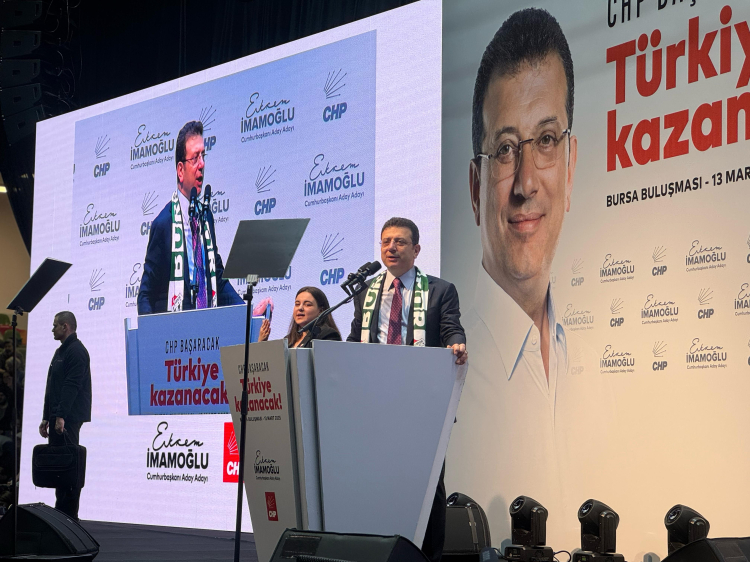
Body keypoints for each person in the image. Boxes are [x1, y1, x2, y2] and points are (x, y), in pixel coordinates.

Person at [446, 7, 611, 547]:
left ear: (570, 164)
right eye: (504, 150)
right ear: (476, 188)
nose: (525, 184)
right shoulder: (438, 388)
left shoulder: (594, 370)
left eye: (545, 141)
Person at [347, 217, 467, 562]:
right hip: (376, 405)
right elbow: (356, 339)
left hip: (422, 405)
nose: (391, 248)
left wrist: (457, 343)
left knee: (428, 486)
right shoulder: (366, 292)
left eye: (399, 242)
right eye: (386, 241)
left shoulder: (440, 290)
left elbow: (451, 328)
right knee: (377, 483)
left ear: (416, 250)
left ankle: (429, 557)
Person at [138, 120, 243, 314]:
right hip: (174, 329)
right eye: (195, 158)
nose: (202, 164)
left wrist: (247, 311)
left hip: (207, 327)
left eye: (203, 156)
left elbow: (218, 280)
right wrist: (152, 331)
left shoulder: (206, 217)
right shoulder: (164, 224)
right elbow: (146, 294)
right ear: (180, 170)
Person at [39, 311, 92, 520]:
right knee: (59, 467)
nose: (52, 329)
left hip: (68, 418)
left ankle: (69, 516)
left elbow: (72, 386)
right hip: (58, 416)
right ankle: (61, 514)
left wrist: (60, 416)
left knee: (68, 466)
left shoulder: (77, 352)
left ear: (65, 326)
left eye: (55, 325)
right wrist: (46, 416)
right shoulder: (60, 351)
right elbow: (52, 385)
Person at [259, 287, 342, 348]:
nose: (300, 308)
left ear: (321, 311)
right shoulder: (288, 340)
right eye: (297, 304)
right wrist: (262, 344)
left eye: (307, 304)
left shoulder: (327, 335)